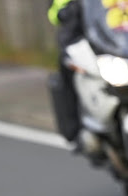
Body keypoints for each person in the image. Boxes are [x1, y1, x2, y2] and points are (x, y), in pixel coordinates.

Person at [48, 0, 83, 145]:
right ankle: (75, 130)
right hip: (74, 39)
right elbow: (54, 12)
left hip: (108, 40)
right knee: (67, 71)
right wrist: (66, 12)